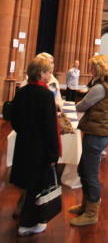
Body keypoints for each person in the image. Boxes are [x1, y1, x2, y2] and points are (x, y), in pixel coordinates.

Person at [10, 57, 61, 236]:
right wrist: (54, 153)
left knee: (28, 182)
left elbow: (13, 118)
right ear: (41, 73)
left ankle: (27, 219)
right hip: (40, 149)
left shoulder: (22, 91)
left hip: (24, 144)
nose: (50, 74)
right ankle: (29, 223)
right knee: (36, 186)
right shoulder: (45, 95)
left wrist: (26, 132)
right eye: (48, 72)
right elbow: (49, 126)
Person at [69, 54, 108, 226]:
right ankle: (86, 205)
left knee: (90, 173)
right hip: (99, 131)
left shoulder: (100, 88)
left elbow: (83, 105)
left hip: (97, 133)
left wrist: (67, 108)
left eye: (92, 67)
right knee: (84, 169)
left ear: (99, 69)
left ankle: (91, 213)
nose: (89, 70)